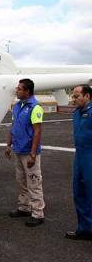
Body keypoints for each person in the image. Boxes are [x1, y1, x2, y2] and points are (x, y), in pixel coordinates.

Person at [5, 78, 45, 227]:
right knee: (21, 181)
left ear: (27, 91)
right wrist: (9, 144)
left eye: (20, 89)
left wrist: (33, 154)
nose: (17, 90)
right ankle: (24, 207)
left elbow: (37, 132)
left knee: (34, 182)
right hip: (18, 149)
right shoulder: (17, 106)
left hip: (29, 151)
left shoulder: (35, 107)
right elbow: (13, 126)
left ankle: (38, 213)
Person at [65, 84, 92, 240]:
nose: (73, 99)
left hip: (90, 156)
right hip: (80, 156)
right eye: (73, 96)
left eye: (76, 96)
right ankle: (84, 229)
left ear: (87, 96)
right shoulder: (76, 113)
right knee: (79, 192)